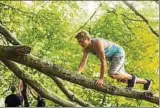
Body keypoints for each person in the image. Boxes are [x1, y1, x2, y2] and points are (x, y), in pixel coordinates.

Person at [75, 30, 152, 90]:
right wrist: (78, 73)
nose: (80, 44)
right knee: (122, 79)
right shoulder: (86, 49)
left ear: (88, 39)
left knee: (112, 74)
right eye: (79, 42)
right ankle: (146, 82)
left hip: (118, 53)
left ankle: (132, 77)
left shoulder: (97, 43)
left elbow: (103, 61)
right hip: (112, 58)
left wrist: (101, 78)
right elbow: (83, 62)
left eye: (82, 41)